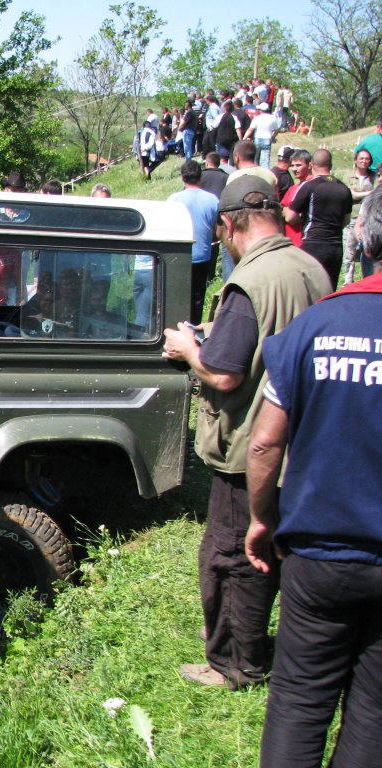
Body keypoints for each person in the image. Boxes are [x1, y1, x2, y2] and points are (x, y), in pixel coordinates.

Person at [162, 176, 332, 690]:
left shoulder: (248, 280)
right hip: (302, 438)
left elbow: (227, 372)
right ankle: (248, 638)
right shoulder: (311, 268)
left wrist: (189, 349)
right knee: (272, 547)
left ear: (231, 224)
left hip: (250, 443)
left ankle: (235, 662)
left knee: (231, 554)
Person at [245, 185, 382, 768]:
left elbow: (266, 440)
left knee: (299, 697)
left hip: (318, 553)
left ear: (364, 238)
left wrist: (260, 518)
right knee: (375, 710)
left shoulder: (315, 327)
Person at [285, 149, 353, 288]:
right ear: (331, 165)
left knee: (309, 289)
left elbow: (290, 217)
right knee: (329, 289)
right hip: (335, 247)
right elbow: (346, 220)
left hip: (313, 244)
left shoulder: (309, 186)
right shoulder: (344, 188)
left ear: (311, 165)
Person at [168, 161, 219, 324]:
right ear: (200, 177)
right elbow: (216, 229)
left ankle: (177, 327)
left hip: (179, 255)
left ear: (183, 177)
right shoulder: (212, 200)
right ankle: (194, 330)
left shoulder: (173, 199)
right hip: (202, 255)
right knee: (197, 298)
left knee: (177, 297)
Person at [342, 148, 375, 285]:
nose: (364, 161)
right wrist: (368, 193)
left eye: (367, 159)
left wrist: (359, 194)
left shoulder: (374, 177)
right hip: (352, 216)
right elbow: (349, 195)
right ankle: (348, 281)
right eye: (361, 158)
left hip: (369, 219)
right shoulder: (348, 176)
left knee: (367, 251)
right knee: (349, 251)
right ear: (355, 160)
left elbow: (377, 194)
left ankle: (367, 280)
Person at [281, 148, 313, 248]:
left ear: (309, 166)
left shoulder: (313, 186)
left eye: (299, 165)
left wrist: (293, 213)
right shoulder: (293, 188)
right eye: (292, 165)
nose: (294, 169)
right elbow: (282, 210)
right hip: (290, 242)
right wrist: (293, 212)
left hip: (304, 242)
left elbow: (291, 218)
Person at [244, 103, 280, 169]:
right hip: (267, 139)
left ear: (261, 110)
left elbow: (250, 129)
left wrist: (244, 138)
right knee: (265, 160)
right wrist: (273, 136)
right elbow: (277, 130)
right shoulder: (272, 118)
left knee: (255, 158)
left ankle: (255, 171)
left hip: (257, 138)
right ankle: (265, 175)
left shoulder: (257, 118)